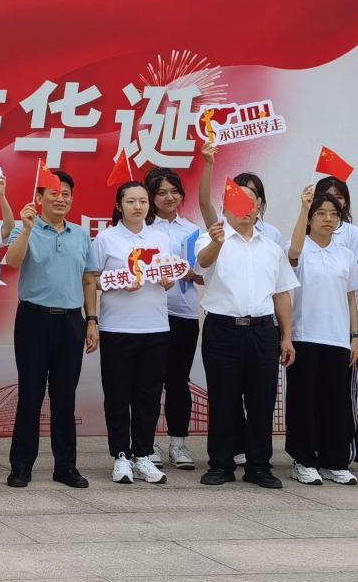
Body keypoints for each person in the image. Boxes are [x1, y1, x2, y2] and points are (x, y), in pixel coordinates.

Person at [195, 180, 298, 489]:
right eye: (237, 202)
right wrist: (217, 243)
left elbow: (282, 294)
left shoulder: (272, 248)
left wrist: (287, 336)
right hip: (222, 330)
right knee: (223, 399)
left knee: (261, 401)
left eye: (251, 202)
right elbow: (202, 263)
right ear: (225, 208)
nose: (245, 209)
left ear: (259, 207)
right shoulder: (211, 238)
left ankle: (259, 466)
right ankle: (220, 464)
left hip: (263, 331)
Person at [1, 169, 98, 489]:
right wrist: (28, 229)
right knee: (30, 394)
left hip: (71, 321)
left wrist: (92, 320)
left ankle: (65, 467)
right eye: (54, 193)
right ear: (39, 198)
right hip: (33, 319)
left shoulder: (80, 234)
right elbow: (12, 262)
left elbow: (89, 279)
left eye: (66, 194)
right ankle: (21, 466)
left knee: (64, 397)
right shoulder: (24, 227)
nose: (61, 199)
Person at [91, 180, 175, 484]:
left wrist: (168, 280)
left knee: (149, 396)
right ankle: (121, 456)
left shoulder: (160, 237)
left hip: (155, 326)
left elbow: (169, 276)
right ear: (119, 206)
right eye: (130, 201)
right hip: (117, 327)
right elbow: (92, 279)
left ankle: (143, 455)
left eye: (142, 201)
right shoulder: (106, 238)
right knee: (117, 395)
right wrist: (117, 281)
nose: (138, 206)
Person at [284, 185, 358, 485]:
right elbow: (293, 254)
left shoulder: (345, 255)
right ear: (310, 218)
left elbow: (351, 297)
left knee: (336, 402)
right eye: (321, 214)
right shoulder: (300, 247)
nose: (328, 219)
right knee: (304, 401)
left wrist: (354, 336)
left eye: (333, 214)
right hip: (305, 336)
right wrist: (303, 208)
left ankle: (334, 461)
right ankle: (303, 460)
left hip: (337, 339)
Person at [143, 166, 202, 470]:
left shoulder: (192, 230)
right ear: (150, 196)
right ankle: (147, 442)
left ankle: (178, 444)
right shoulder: (142, 230)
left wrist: (194, 273)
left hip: (184, 313)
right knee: (150, 380)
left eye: (174, 191)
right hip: (150, 313)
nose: (169, 197)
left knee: (179, 381)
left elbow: (206, 274)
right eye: (161, 192)